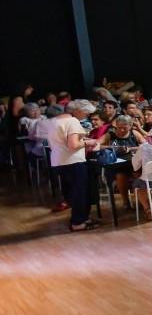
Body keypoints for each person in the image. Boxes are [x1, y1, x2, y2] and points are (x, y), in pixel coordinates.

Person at [50, 99, 100, 231]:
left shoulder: (54, 121)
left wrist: (82, 141)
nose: (86, 116)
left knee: (72, 192)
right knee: (80, 192)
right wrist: (88, 143)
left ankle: (82, 218)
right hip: (73, 161)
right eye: (86, 113)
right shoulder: (72, 121)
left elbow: (60, 143)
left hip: (58, 161)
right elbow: (73, 145)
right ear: (78, 110)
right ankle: (78, 222)